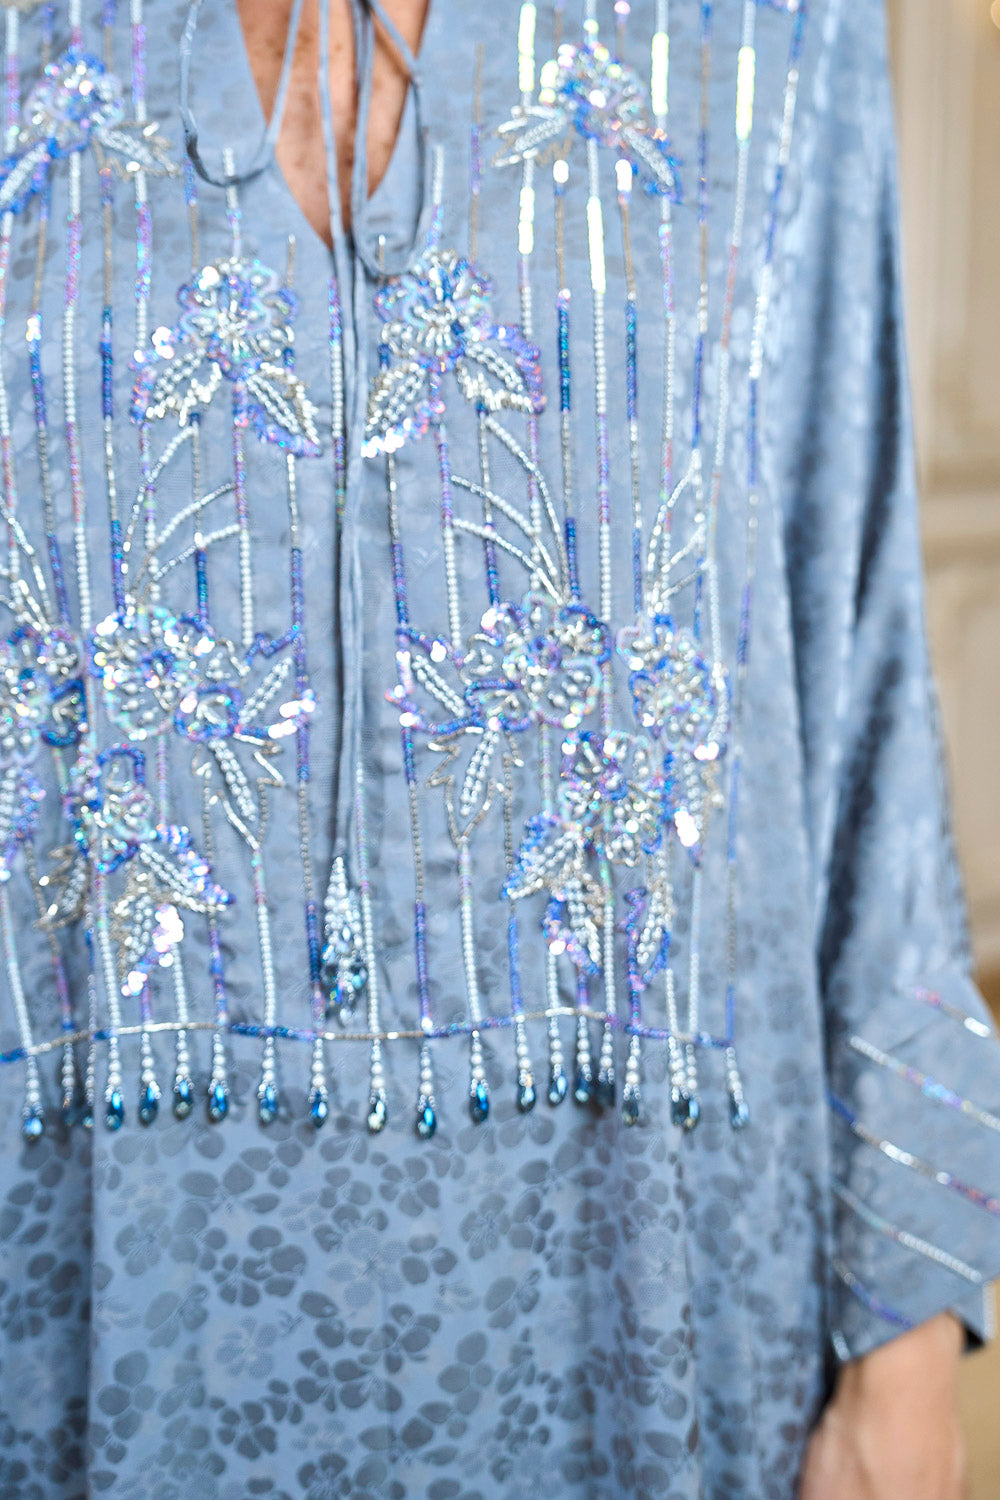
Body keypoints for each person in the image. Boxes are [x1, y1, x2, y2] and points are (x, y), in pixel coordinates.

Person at [0, 0, 996, 1495]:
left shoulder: (777, 29)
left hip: (649, 1289)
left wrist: (901, 1356)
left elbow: (856, 642)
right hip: (89, 1290)